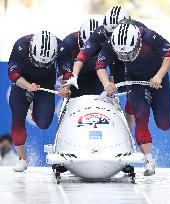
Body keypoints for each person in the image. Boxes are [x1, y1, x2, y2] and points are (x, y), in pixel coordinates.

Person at [95, 23, 170, 176]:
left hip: (157, 79)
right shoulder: (111, 42)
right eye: (122, 55)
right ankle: (148, 160)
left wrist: (159, 76)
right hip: (134, 80)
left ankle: (130, 106)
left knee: (165, 124)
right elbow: (100, 65)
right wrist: (107, 84)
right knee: (141, 115)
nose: (126, 57)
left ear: (138, 42)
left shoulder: (149, 36)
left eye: (128, 53)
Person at [66, 6, 147, 128]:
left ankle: (128, 130)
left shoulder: (141, 31)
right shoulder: (100, 32)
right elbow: (82, 55)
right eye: (109, 33)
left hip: (131, 58)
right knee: (112, 87)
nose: (112, 36)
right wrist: (74, 75)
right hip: (110, 57)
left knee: (133, 97)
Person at [8, 31, 70, 172]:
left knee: (44, 123)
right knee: (18, 115)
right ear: (31, 50)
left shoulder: (61, 47)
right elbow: (13, 73)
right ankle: (22, 159)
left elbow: (66, 73)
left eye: (45, 63)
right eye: (37, 61)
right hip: (22, 82)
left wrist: (65, 87)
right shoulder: (20, 45)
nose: (40, 65)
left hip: (45, 84)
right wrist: (28, 86)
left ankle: (32, 104)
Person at [57, 19, 104, 98]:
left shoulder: (105, 41)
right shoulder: (68, 43)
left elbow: (112, 63)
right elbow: (63, 69)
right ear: (80, 38)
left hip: (94, 75)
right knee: (69, 95)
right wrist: (66, 87)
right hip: (72, 76)